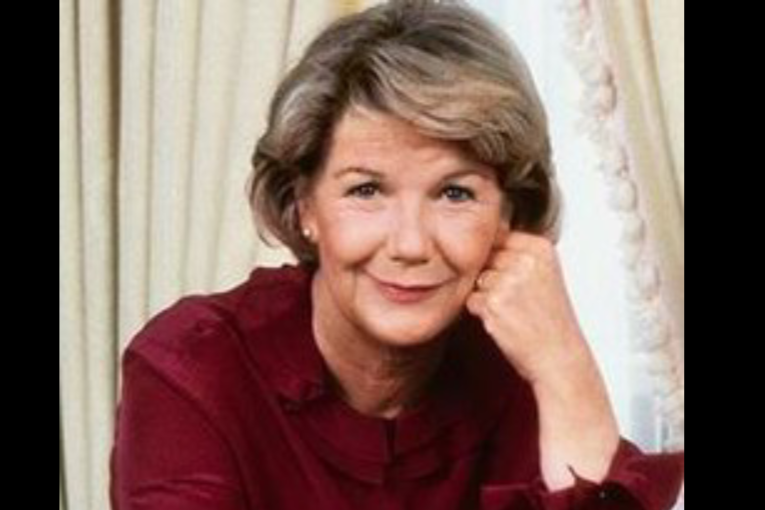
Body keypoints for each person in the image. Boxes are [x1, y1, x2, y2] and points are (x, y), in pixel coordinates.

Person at [110, 1, 684, 508]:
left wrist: (565, 369)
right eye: (366, 190)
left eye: (455, 194)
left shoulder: (521, 376)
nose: (410, 244)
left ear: (509, 216)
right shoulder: (193, 369)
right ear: (304, 204)